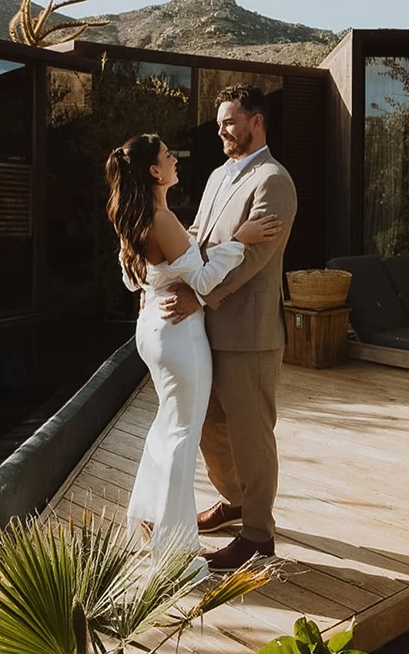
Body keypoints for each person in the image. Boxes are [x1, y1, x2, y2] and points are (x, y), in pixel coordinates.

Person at [105, 133, 282, 576]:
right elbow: (202, 280)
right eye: (168, 156)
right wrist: (241, 238)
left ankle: (150, 519)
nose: (175, 160)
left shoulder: (136, 214)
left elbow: (134, 281)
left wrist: (155, 285)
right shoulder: (160, 219)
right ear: (153, 171)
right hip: (180, 339)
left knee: (169, 428)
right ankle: (175, 549)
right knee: (182, 434)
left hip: (153, 331)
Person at [160, 84, 297, 572]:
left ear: (257, 121)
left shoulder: (274, 181)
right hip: (208, 331)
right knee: (210, 427)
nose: (221, 129)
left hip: (251, 334)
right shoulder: (220, 175)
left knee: (251, 434)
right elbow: (197, 237)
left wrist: (196, 294)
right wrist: (160, 266)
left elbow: (255, 258)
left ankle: (258, 535)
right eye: (220, 121)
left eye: (230, 121)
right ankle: (236, 501)